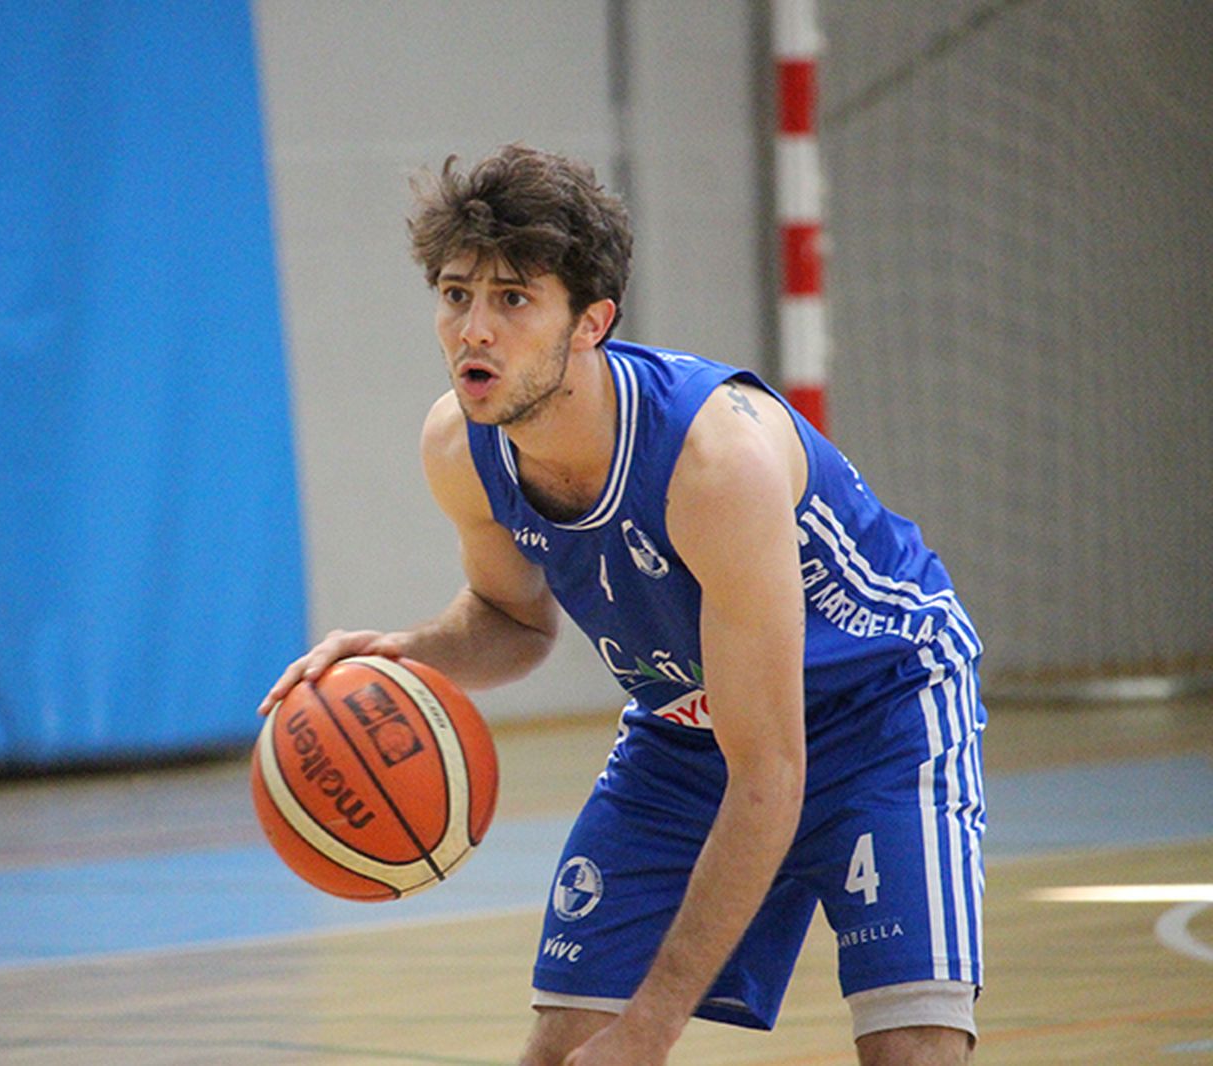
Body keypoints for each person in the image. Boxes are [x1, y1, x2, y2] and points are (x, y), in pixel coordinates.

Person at [258, 144, 985, 1066]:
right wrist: (405, 655)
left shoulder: (715, 463)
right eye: (455, 295)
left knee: (910, 1049)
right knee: (564, 1047)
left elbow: (769, 771)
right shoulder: (460, 446)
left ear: (591, 321)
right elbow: (514, 622)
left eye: (512, 299)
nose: (473, 330)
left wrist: (651, 1025)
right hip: (687, 729)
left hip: (877, 710)